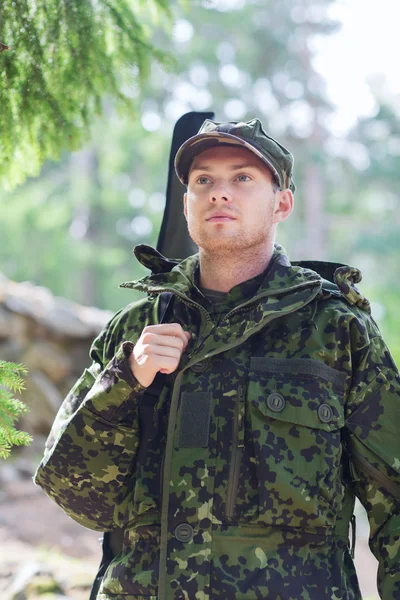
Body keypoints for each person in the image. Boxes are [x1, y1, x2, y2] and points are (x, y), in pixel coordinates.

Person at [34, 118, 400, 600]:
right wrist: (125, 380)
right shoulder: (133, 331)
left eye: (243, 178)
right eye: (203, 180)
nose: (219, 193)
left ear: (281, 202)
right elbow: (77, 496)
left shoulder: (335, 330)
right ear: (186, 204)